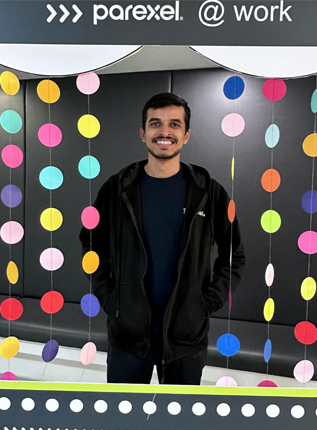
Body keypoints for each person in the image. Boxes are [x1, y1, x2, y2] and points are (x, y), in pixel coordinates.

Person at [80, 92, 245, 385]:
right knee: (124, 420)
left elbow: (235, 255)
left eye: (174, 125)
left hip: (186, 337)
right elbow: (90, 245)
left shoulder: (209, 191)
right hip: (128, 336)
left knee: (179, 423)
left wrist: (205, 303)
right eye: (155, 124)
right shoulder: (116, 189)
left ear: (186, 134)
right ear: (143, 133)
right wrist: (110, 298)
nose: (164, 132)